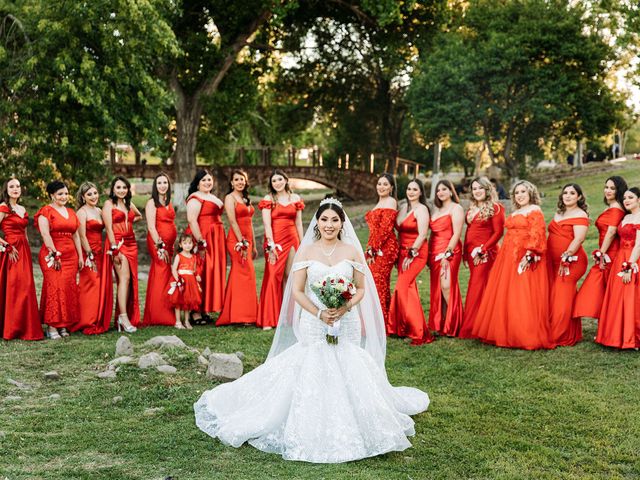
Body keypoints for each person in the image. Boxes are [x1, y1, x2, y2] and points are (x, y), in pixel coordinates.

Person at [194, 198, 429, 463]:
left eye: (335, 220)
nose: (329, 225)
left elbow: (361, 288)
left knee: (348, 362)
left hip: (346, 319)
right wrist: (319, 312)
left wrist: (345, 306)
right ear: (317, 221)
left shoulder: (352, 251)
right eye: (325, 219)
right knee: (313, 361)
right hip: (314, 320)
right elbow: (295, 291)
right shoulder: (305, 251)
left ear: (342, 224)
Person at [473, 180, 554, 350]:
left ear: (531, 193)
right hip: (507, 255)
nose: (520, 195)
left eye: (523, 191)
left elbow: (537, 234)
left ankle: (523, 334)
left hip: (524, 254)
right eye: (517, 192)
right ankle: (506, 331)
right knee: (507, 292)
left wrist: (530, 254)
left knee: (523, 293)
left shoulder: (534, 210)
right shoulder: (516, 211)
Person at [86, 176, 142, 334]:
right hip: (118, 244)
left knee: (130, 280)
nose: (122, 190)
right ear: (113, 190)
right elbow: (109, 228)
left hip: (132, 243)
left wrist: (128, 224)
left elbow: (138, 216)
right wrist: (115, 248)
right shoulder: (108, 204)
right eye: (118, 187)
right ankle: (123, 317)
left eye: (124, 187)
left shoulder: (127, 203)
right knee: (123, 279)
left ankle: (123, 316)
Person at [35, 180, 83, 339]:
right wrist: (54, 253)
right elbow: (45, 234)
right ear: (51, 195)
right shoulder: (45, 211)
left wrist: (80, 255)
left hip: (71, 256)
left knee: (67, 289)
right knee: (55, 288)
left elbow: (76, 235)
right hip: (52, 255)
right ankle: (51, 326)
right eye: (60, 194)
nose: (64, 197)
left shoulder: (71, 212)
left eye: (65, 193)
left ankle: (63, 325)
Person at [257, 169, 304, 330]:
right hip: (275, 240)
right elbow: (267, 224)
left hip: (292, 239)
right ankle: (268, 318)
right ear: (271, 184)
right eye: (274, 181)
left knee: (290, 276)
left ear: (285, 180)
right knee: (272, 275)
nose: (277, 183)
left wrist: (302, 244)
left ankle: (288, 317)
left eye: (280, 179)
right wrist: (270, 245)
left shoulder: (295, 198)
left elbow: (298, 223)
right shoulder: (269, 199)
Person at [387, 179, 433, 345]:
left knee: (402, 286)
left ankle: (417, 331)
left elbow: (422, 234)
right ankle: (402, 327)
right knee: (409, 288)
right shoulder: (403, 208)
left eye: (415, 189)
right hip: (402, 253)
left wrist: (411, 253)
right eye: (409, 188)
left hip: (416, 252)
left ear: (421, 192)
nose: (411, 191)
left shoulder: (422, 210)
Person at [574, 176, 627, 320]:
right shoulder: (611, 207)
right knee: (602, 288)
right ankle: (606, 324)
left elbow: (611, 232)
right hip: (606, 251)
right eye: (606, 187)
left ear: (619, 190)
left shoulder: (616, 208)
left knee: (608, 288)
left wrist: (601, 253)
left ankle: (610, 324)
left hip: (611, 252)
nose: (608, 191)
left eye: (612, 188)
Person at [595, 187, 640, 349]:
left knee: (631, 296)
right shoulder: (626, 217)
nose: (627, 200)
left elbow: (639, 245)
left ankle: (632, 337)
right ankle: (615, 335)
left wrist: (630, 266)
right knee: (617, 296)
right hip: (619, 257)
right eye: (625, 198)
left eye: (631, 197)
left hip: (633, 259)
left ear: (639, 200)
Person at [461, 177, 505, 337]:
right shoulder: (472, 207)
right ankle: (483, 323)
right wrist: (466, 252)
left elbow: (498, 232)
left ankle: (472, 327)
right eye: (474, 188)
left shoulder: (496, 207)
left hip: (485, 253)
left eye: (480, 188)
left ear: (487, 189)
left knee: (476, 286)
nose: (477, 191)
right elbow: (470, 230)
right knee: (479, 286)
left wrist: (483, 249)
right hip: (472, 253)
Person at [0, 178, 43, 340]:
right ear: (6, 189)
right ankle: (12, 327)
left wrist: (28, 249)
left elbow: (24, 232)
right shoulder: (3, 207)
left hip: (23, 249)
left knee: (26, 285)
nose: (15, 189)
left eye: (18, 186)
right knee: (15, 287)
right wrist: (7, 247)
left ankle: (25, 326)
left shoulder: (22, 208)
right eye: (12, 186)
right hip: (11, 250)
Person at [547, 184, 589, 346]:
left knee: (562, 296)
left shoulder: (581, 214)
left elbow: (578, 239)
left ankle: (559, 335)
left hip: (571, 261)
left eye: (572, 193)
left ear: (579, 197)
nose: (568, 196)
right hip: (553, 261)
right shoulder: (559, 213)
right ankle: (569, 330)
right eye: (565, 193)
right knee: (555, 295)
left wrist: (567, 254)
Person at [217, 170, 258, 326]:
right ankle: (241, 315)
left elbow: (250, 222)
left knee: (246, 274)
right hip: (236, 240)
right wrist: (241, 241)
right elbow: (232, 221)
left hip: (247, 240)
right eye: (236, 179)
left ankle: (242, 313)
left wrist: (252, 243)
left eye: (242, 179)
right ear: (232, 183)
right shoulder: (229, 198)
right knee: (243, 272)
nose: (240, 182)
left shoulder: (246, 198)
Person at [186, 169, 226, 322]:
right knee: (201, 271)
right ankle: (194, 311)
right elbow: (192, 220)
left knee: (211, 272)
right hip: (203, 235)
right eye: (203, 180)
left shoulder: (212, 197)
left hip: (216, 237)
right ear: (197, 184)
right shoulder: (195, 198)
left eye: (209, 180)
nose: (207, 182)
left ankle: (205, 309)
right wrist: (200, 240)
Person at [428, 179, 465, 337]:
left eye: (444, 189)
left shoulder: (456, 208)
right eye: (438, 190)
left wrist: (447, 253)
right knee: (437, 288)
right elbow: (432, 235)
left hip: (450, 250)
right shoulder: (436, 211)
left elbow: (457, 233)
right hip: (434, 251)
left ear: (451, 191)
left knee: (446, 285)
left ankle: (457, 323)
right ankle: (443, 324)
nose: (441, 192)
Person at [143, 173, 178, 326]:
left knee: (166, 274)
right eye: (159, 183)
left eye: (165, 182)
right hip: (158, 243)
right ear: (155, 186)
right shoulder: (152, 203)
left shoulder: (168, 201)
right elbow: (151, 226)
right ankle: (159, 314)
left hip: (169, 244)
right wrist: (160, 245)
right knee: (161, 271)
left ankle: (166, 309)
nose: (163, 185)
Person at [364, 173, 399, 325]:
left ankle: (379, 323)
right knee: (377, 281)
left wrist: (373, 249)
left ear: (391, 187)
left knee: (378, 281)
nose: (382, 187)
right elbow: (374, 231)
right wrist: (369, 248)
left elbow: (385, 229)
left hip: (386, 247)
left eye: (385, 184)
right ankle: (384, 319)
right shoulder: (378, 203)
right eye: (379, 184)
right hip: (375, 246)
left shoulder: (391, 202)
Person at [75, 182, 105, 332]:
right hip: (89, 253)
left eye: (95, 193)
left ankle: (96, 317)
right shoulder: (82, 212)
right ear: (83, 197)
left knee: (98, 285)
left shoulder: (100, 211)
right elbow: (81, 236)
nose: (93, 196)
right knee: (90, 284)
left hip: (101, 252)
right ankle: (86, 320)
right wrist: (89, 254)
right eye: (89, 194)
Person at [170, 232, 201, 330]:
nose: (188, 245)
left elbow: (194, 270)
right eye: (185, 243)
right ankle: (178, 321)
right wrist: (177, 280)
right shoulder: (179, 256)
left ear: (192, 244)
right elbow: (174, 269)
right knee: (178, 302)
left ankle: (186, 321)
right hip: (181, 281)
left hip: (190, 282)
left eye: (190, 243)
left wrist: (197, 276)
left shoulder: (194, 257)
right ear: (180, 245)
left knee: (188, 302)